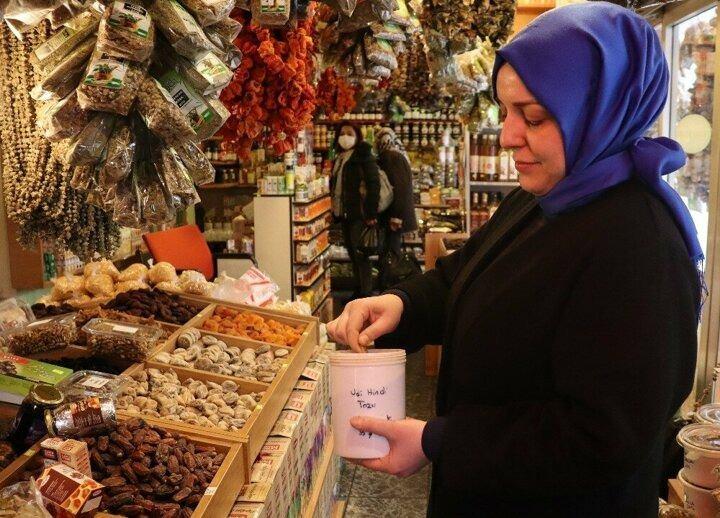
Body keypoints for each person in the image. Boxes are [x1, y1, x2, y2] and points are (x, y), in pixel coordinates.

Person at [327, 4, 703, 516]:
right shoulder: (546, 194)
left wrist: (439, 441)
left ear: (598, 111)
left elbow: (602, 437)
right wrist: (402, 305)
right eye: (506, 111)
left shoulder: (641, 247)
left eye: (534, 117)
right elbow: (469, 273)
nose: (507, 136)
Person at [331, 123, 381, 298]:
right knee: (353, 254)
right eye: (342, 133)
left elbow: (374, 184)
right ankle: (359, 289)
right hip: (345, 213)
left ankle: (365, 293)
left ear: (357, 136)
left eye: (349, 133)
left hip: (360, 214)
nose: (345, 137)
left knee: (361, 255)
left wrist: (371, 213)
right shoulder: (340, 157)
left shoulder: (363, 155)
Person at [374, 127, 418, 261]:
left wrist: (396, 216)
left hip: (393, 216)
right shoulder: (397, 155)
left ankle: (392, 274)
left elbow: (400, 187)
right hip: (393, 215)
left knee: (391, 254)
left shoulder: (392, 157)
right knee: (390, 253)